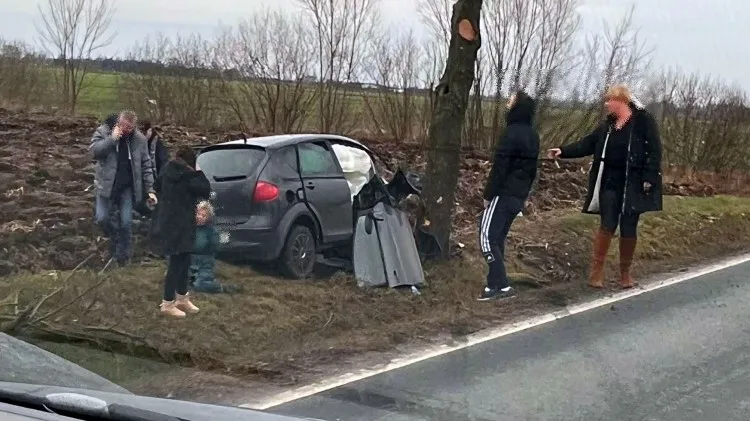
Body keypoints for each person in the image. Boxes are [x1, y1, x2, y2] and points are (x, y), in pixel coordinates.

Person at [548, 84, 663, 289]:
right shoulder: (608, 125)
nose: (607, 104)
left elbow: (654, 151)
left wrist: (649, 178)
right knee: (607, 223)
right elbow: (588, 143)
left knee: (628, 226)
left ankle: (625, 274)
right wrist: (563, 151)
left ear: (621, 101)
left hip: (633, 182)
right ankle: (596, 273)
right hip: (609, 180)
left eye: (610, 100)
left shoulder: (643, 122)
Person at [478, 91, 540, 301]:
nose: (507, 103)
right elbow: (532, 170)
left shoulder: (510, 133)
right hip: (517, 196)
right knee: (498, 238)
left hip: (503, 193)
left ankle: (502, 285)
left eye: (510, 100)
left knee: (486, 237)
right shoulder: (533, 135)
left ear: (517, 107)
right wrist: (523, 196)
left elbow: (500, 168)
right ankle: (493, 284)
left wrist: (489, 194)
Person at [89, 110, 156, 266]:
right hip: (106, 185)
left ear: (134, 127)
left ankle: (123, 257)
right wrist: (112, 139)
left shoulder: (139, 140)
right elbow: (94, 152)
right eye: (123, 126)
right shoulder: (103, 131)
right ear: (119, 122)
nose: (126, 130)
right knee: (102, 218)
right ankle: (114, 239)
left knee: (126, 223)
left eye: (130, 128)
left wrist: (151, 190)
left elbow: (146, 164)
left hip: (127, 187)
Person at [152, 145, 211, 318]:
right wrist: (198, 170)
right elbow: (205, 189)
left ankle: (182, 298)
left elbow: (157, 186)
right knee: (177, 263)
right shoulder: (189, 175)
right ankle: (168, 302)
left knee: (184, 260)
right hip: (180, 223)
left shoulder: (167, 171)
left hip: (172, 222)